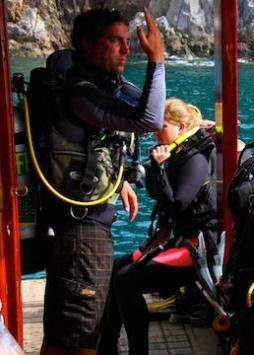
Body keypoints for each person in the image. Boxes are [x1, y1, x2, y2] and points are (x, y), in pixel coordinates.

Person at [40, 7, 165, 355]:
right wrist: (157, 59)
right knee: (81, 341)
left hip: (82, 230)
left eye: (127, 41)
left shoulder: (91, 89)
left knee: (67, 336)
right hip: (83, 233)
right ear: (87, 44)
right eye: (115, 40)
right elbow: (150, 118)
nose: (126, 49)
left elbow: (90, 145)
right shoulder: (80, 93)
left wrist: (119, 179)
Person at [98, 99, 218, 355]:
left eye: (160, 127)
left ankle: (138, 351)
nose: (155, 132)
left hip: (198, 247)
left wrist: (161, 168)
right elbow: (158, 196)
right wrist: (156, 165)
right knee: (117, 268)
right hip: (179, 239)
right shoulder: (174, 153)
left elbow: (177, 204)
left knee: (125, 281)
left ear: (181, 126)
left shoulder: (194, 159)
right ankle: (106, 345)